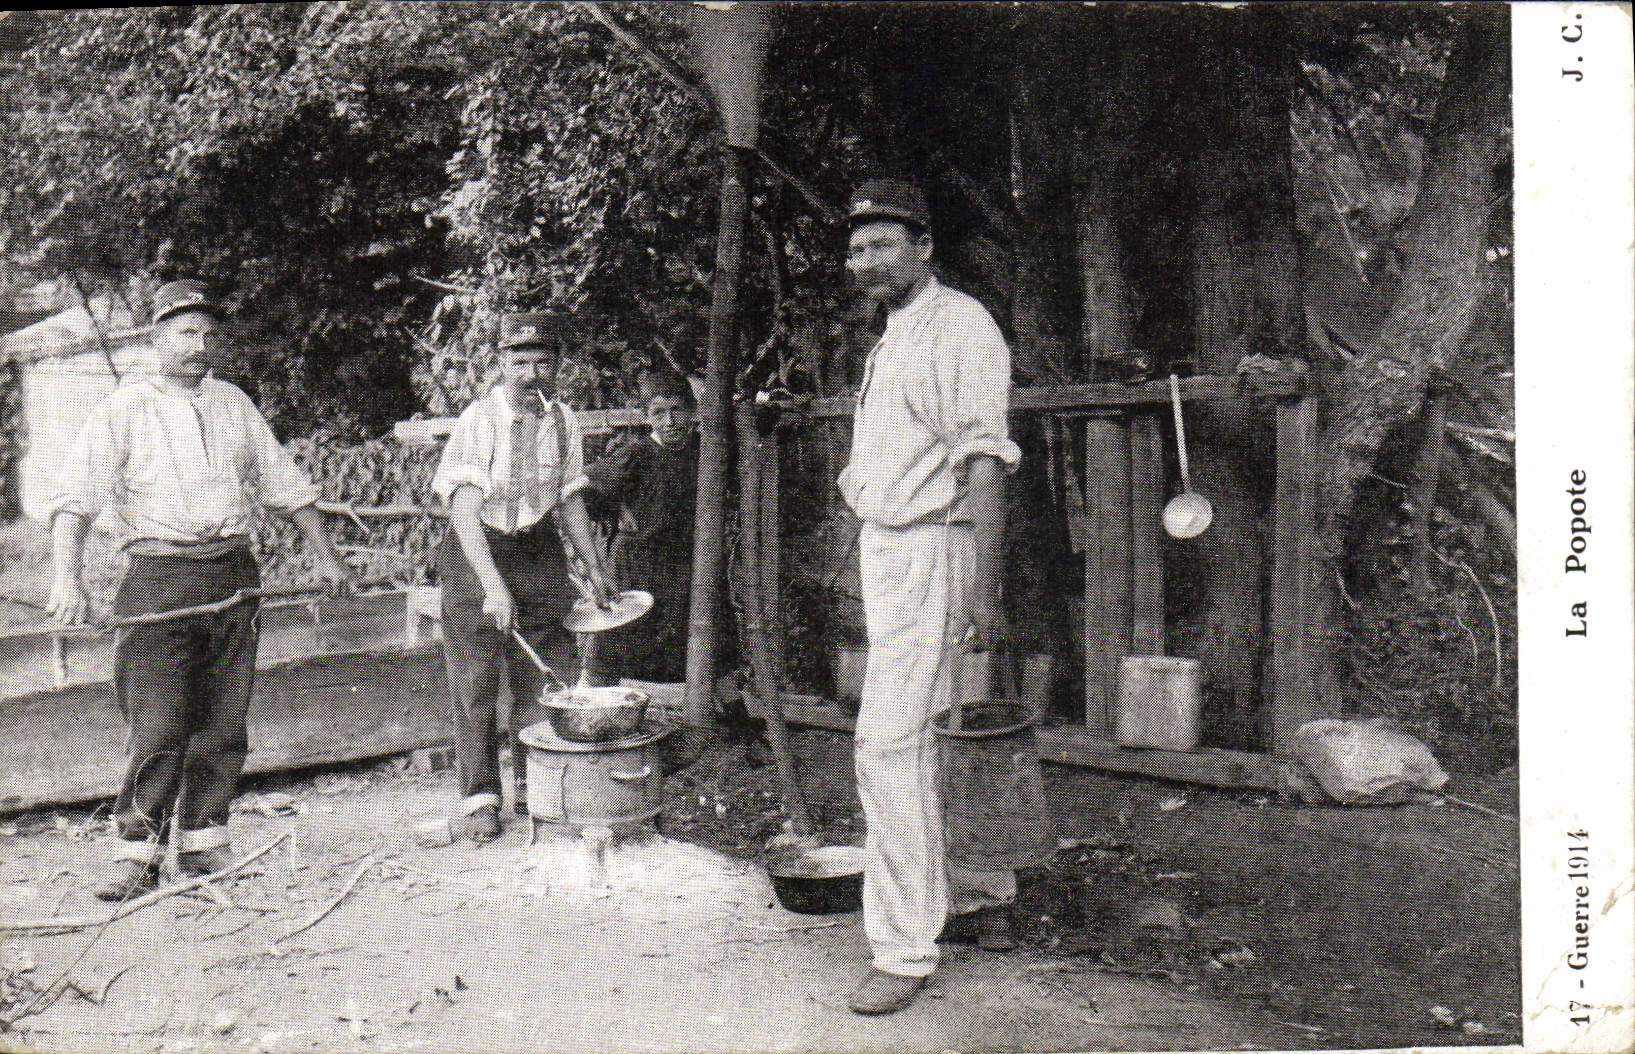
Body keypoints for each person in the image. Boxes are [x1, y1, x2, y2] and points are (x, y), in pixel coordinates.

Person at [47, 279, 355, 901]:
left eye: (209, 334)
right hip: (157, 579)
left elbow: (287, 486)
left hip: (232, 575)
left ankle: (204, 840)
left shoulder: (233, 403)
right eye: (186, 333)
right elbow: (72, 502)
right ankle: (137, 851)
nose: (199, 345)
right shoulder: (124, 408)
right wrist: (65, 578)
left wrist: (329, 560)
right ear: (155, 339)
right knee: (159, 725)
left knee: (222, 720)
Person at [837, 179, 1023, 1015]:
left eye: (881, 244)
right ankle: (980, 896)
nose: (864, 261)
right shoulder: (894, 333)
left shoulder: (960, 325)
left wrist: (983, 582)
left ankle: (904, 950)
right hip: (892, 551)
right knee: (938, 731)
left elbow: (983, 459)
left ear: (923, 247)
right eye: (854, 248)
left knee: (887, 744)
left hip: (934, 549)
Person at [431, 312, 616, 842]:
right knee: (477, 679)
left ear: (557, 367)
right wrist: (492, 586)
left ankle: (539, 786)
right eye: (520, 363)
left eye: (542, 363)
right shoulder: (479, 421)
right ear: (500, 365)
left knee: (545, 672)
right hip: (476, 550)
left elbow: (569, 500)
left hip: (537, 549)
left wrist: (594, 568)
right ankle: (479, 798)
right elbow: (463, 512)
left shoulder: (562, 420)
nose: (532, 374)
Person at [580, 369, 697, 684]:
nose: (669, 421)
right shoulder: (637, 454)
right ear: (647, 417)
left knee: (703, 633)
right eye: (659, 413)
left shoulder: (702, 452)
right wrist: (616, 508)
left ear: (693, 410)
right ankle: (586, 702)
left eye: (677, 411)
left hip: (684, 563)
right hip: (638, 562)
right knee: (615, 637)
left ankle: (730, 709)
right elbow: (585, 487)